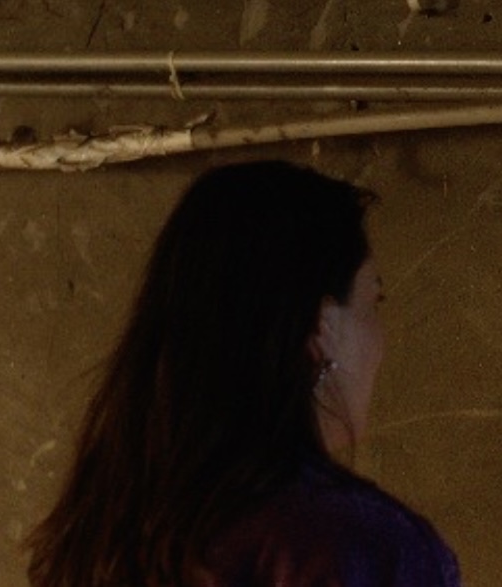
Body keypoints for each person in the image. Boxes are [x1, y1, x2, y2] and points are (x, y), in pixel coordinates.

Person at [27, 161, 462, 587]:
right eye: (373, 302)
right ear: (322, 325)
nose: (380, 340)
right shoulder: (363, 547)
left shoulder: (97, 537)